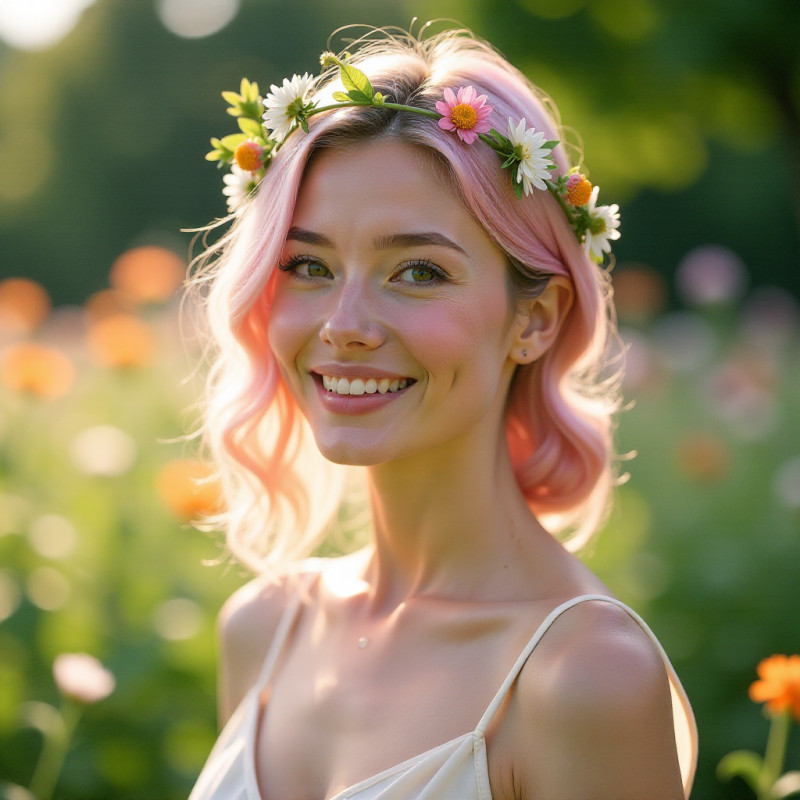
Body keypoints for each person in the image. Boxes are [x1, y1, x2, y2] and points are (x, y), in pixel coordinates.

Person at [188, 25, 698, 800]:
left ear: (536, 320)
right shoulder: (263, 630)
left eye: (418, 271)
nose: (344, 324)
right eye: (308, 266)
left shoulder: (584, 676)